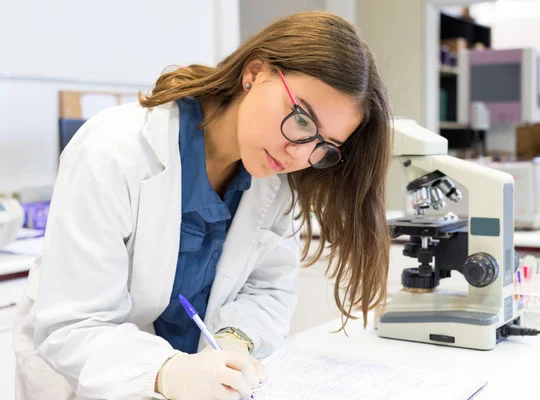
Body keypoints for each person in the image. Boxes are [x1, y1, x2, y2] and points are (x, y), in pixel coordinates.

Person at [13, 10, 392, 400]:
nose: (300, 153)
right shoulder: (113, 150)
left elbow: (268, 289)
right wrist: (167, 372)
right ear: (255, 72)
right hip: (90, 381)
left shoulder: (276, 182)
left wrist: (233, 339)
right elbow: (74, 324)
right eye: (300, 120)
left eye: (323, 146)